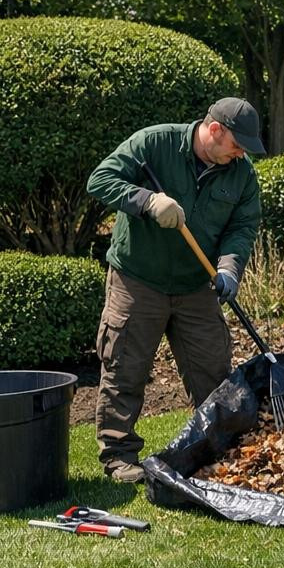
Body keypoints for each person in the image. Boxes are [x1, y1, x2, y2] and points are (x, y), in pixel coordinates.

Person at [85, 97, 265, 482]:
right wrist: (147, 200)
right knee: (125, 368)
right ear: (215, 129)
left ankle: (218, 449)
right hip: (138, 279)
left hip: (195, 286)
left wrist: (229, 269)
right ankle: (119, 456)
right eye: (237, 145)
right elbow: (100, 179)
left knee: (213, 371)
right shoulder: (154, 144)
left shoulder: (241, 174)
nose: (239, 155)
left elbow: (242, 227)